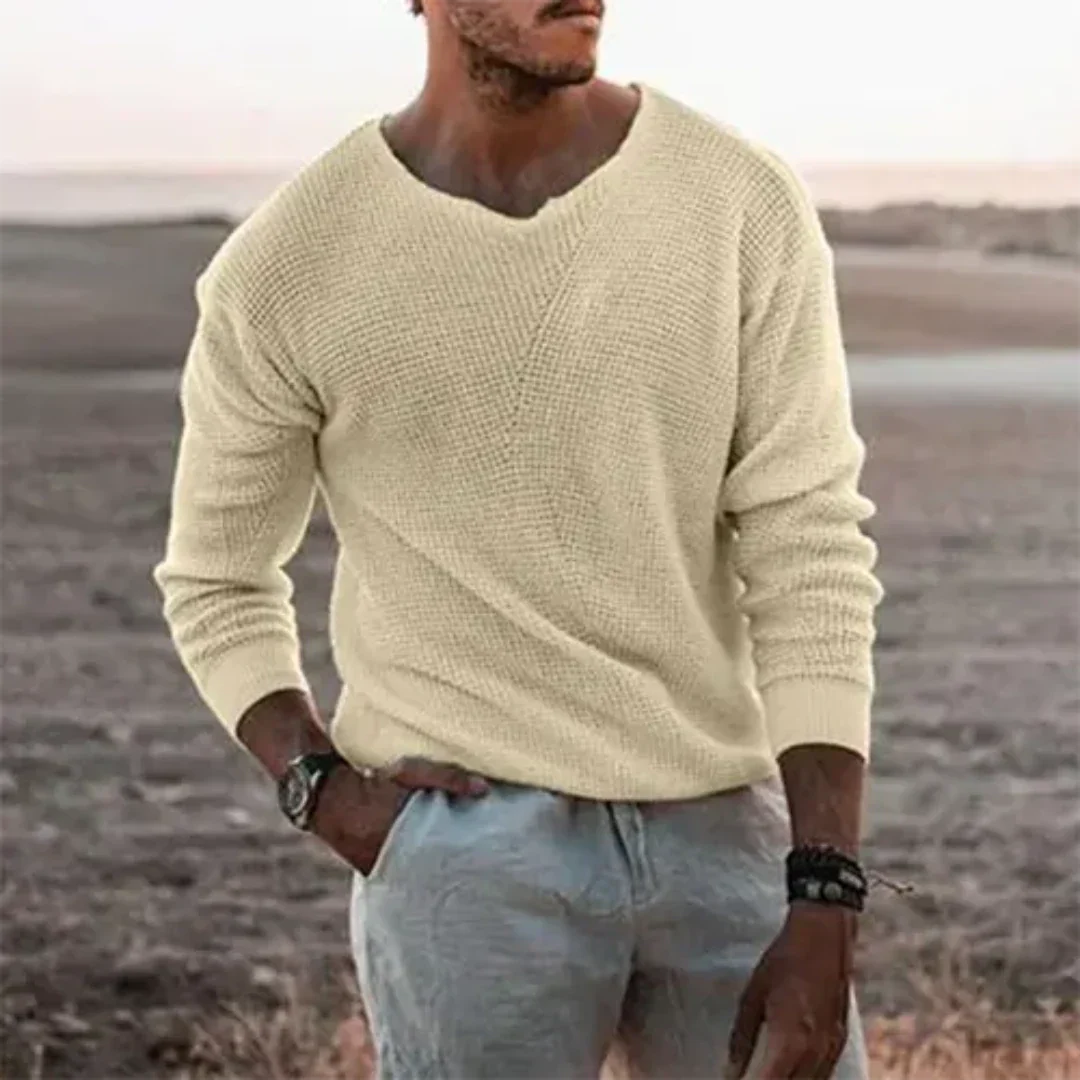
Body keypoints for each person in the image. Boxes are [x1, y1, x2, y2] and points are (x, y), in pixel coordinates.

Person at [153, 0, 885, 1077]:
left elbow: (809, 540)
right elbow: (217, 580)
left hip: (729, 832)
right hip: (467, 860)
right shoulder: (287, 264)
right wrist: (327, 794)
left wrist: (825, 886)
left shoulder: (737, 199)